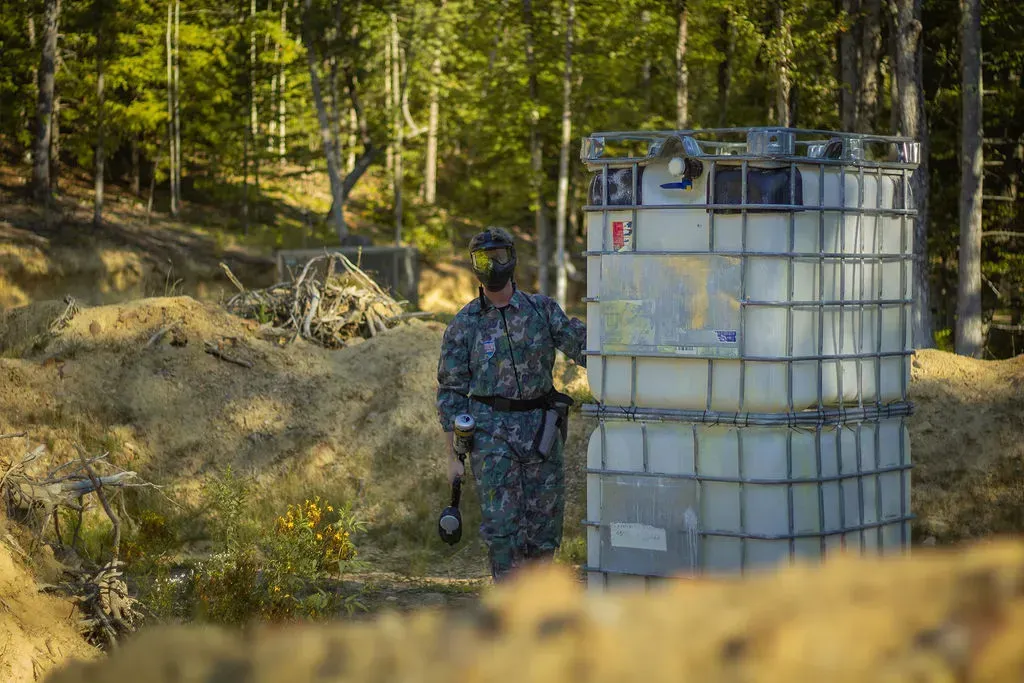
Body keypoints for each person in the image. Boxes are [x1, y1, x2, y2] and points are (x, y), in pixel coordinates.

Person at [435, 227, 588, 582]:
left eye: (499, 256)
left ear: (513, 258)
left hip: (541, 432)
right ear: (474, 266)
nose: (492, 265)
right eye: (483, 259)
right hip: (490, 436)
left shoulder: (541, 311)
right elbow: (450, 393)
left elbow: (584, 348)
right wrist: (452, 456)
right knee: (503, 529)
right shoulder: (464, 324)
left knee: (544, 526)